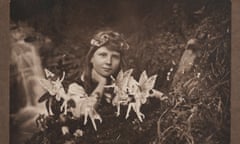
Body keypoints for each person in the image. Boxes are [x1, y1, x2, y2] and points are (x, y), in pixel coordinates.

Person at [73, 29, 129, 100]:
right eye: (103, 55)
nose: (109, 62)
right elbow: (85, 110)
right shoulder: (76, 87)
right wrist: (102, 83)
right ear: (91, 58)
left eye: (115, 57)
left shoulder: (127, 88)